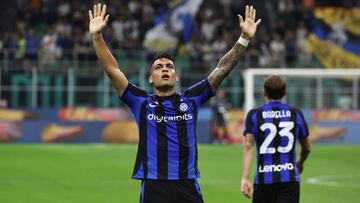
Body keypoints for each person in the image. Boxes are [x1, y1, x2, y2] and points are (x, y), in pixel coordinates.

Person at [89, 3, 261, 203]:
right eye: (159, 66)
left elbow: (222, 69)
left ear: (176, 77)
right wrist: (97, 36)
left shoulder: (191, 99)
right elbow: (112, 70)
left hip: (186, 185)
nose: (164, 69)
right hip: (154, 186)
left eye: (169, 66)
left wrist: (244, 38)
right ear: (151, 78)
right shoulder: (141, 102)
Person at [241, 75, 311, 203]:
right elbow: (307, 148)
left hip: (263, 180)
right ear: (285, 92)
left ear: (265, 92)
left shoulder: (254, 115)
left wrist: (245, 177)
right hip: (289, 179)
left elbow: (248, 146)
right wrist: (300, 162)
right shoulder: (296, 114)